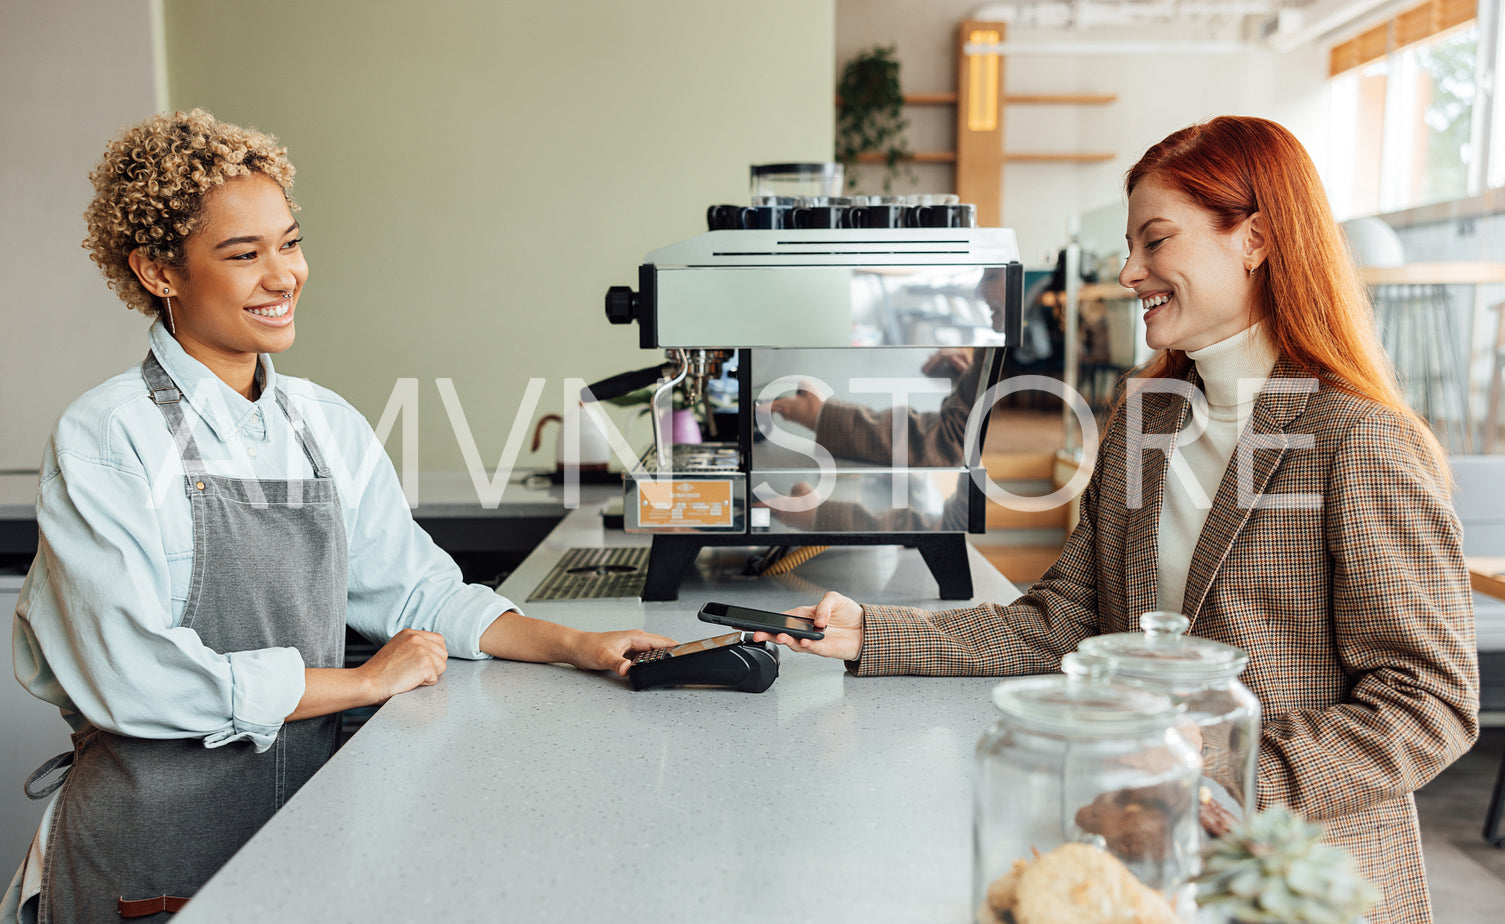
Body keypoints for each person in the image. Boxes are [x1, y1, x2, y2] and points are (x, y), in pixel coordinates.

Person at [755, 116, 1478, 924]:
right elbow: (1066, 622)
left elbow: (1427, 705)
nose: (1129, 271)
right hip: (1145, 870)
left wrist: (1216, 766)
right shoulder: (1147, 423)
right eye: (1130, 245)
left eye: (1155, 240)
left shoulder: (1357, 440)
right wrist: (872, 632)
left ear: (1255, 239)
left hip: (1299, 884)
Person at [3, 109, 674, 924]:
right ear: (158, 272)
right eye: (243, 254)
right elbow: (134, 677)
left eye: (288, 242)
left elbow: (418, 594)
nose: (283, 275)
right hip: (152, 854)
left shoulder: (324, 424)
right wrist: (361, 682)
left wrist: (577, 646)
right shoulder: (108, 436)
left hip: (300, 834)